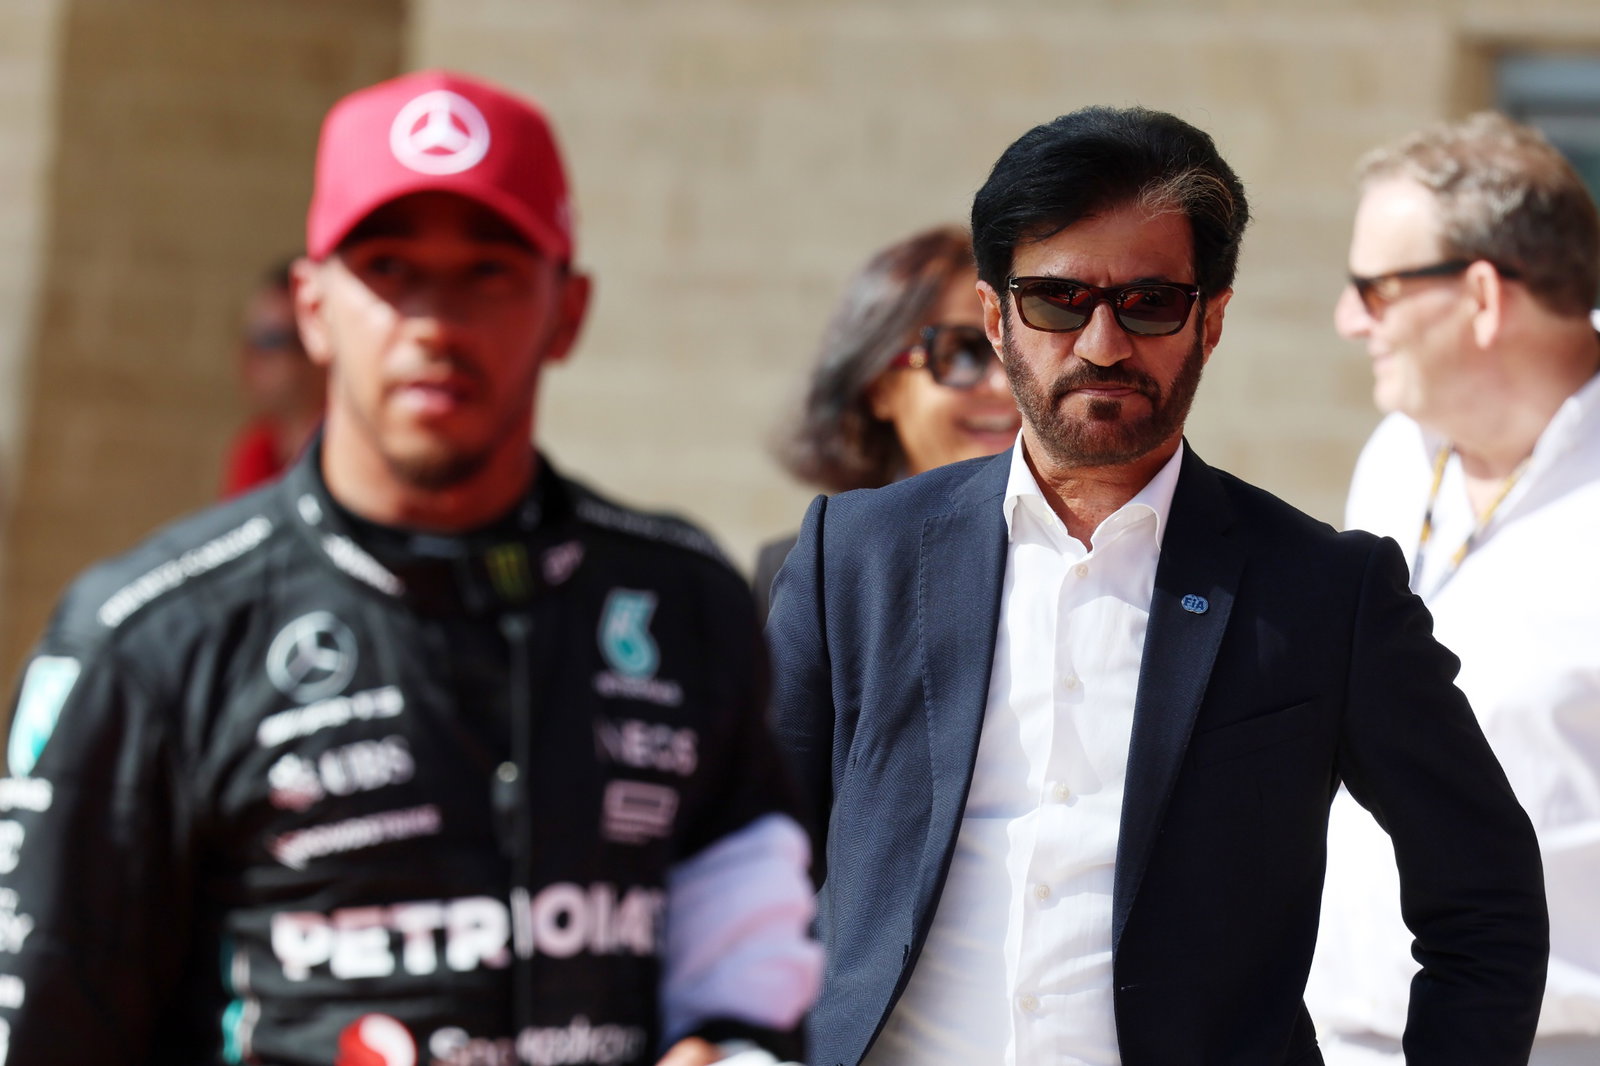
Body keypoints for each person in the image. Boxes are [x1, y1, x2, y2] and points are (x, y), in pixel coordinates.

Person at [0, 70, 819, 1066]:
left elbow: (747, 946)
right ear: (312, 307)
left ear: (568, 312)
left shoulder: (680, 599)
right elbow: (50, 1024)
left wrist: (729, 1047)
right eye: (388, 268)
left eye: (488, 271)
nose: (434, 320)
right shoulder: (148, 637)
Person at [766, 105, 1548, 1066]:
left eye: (1149, 303)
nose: (1102, 344)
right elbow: (739, 867)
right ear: (995, 317)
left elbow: (1486, 901)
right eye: (1058, 301)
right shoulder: (856, 557)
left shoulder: (1324, 593)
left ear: (1209, 321)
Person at [1306, 112, 1600, 1066]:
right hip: (1345, 1038)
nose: (1350, 320)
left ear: (1480, 295)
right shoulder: (1397, 453)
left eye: (1376, 289)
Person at [754, 225, 1019, 618]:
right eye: (961, 353)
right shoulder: (806, 575)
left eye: (1018, 350)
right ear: (878, 386)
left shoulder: (1106, 555)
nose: (1005, 385)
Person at [220, 259, 328, 496]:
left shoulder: (354, 454)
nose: (249, 356)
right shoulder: (260, 450)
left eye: (269, 340)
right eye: (250, 339)